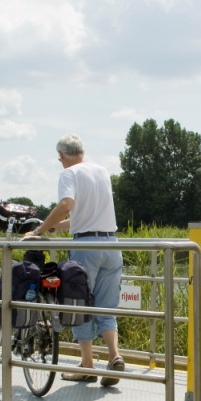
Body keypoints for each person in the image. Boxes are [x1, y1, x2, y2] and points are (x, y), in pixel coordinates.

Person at [27, 135, 124, 387]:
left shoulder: (69, 174)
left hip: (85, 249)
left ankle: (88, 367)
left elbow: (66, 204)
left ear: (62, 155)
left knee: (78, 305)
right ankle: (114, 356)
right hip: (112, 245)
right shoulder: (101, 171)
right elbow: (90, 214)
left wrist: (38, 232)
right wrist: (57, 227)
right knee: (105, 307)